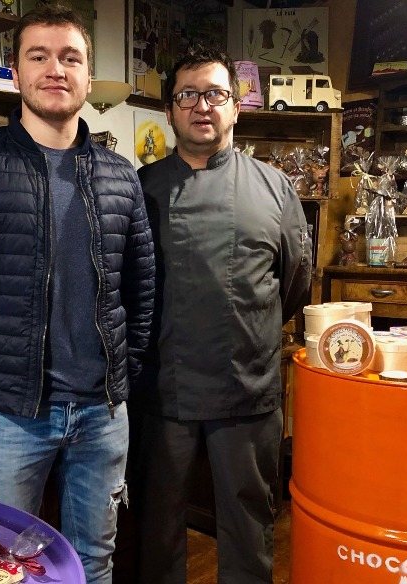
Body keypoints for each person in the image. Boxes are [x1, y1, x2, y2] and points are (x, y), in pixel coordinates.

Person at [0, 5, 155, 583]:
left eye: (71, 57)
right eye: (38, 56)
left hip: (102, 412)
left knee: (95, 559)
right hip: (6, 415)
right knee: (2, 566)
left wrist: (122, 379)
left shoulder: (120, 175)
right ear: (16, 72)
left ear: (88, 76)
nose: (55, 69)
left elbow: (141, 289)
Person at [133, 45, 312, 584]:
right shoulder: (139, 188)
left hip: (246, 386)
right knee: (155, 525)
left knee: (249, 525)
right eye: (187, 95)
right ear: (169, 111)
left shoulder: (274, 188)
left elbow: (294, 283)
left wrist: (248, 326)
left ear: (236, 106)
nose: (202, 106)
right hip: (161, 388)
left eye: (215, 94)